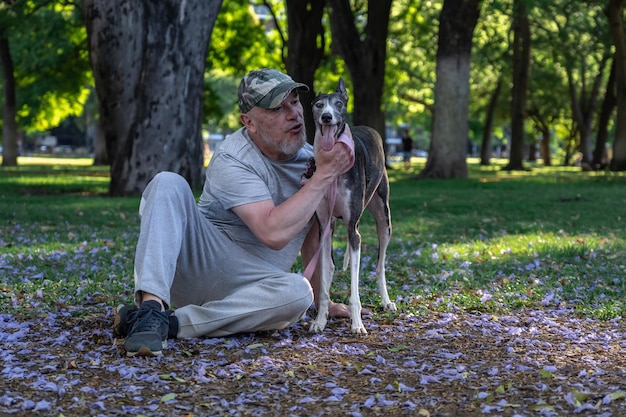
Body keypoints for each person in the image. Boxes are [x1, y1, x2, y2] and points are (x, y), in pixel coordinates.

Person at [113, 68, 356, 357]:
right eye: (278, 108)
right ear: (249, 122)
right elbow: (272, 232)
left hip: (254, 288)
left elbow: (312, 240)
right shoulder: (233, 157)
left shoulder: (313, 161)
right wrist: (323, 177)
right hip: (200, 264)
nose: (294, 114)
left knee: (299, 293)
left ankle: (171, 324)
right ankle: (152, 307)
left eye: (294, 102)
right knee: (168, 183)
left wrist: (322, 302)